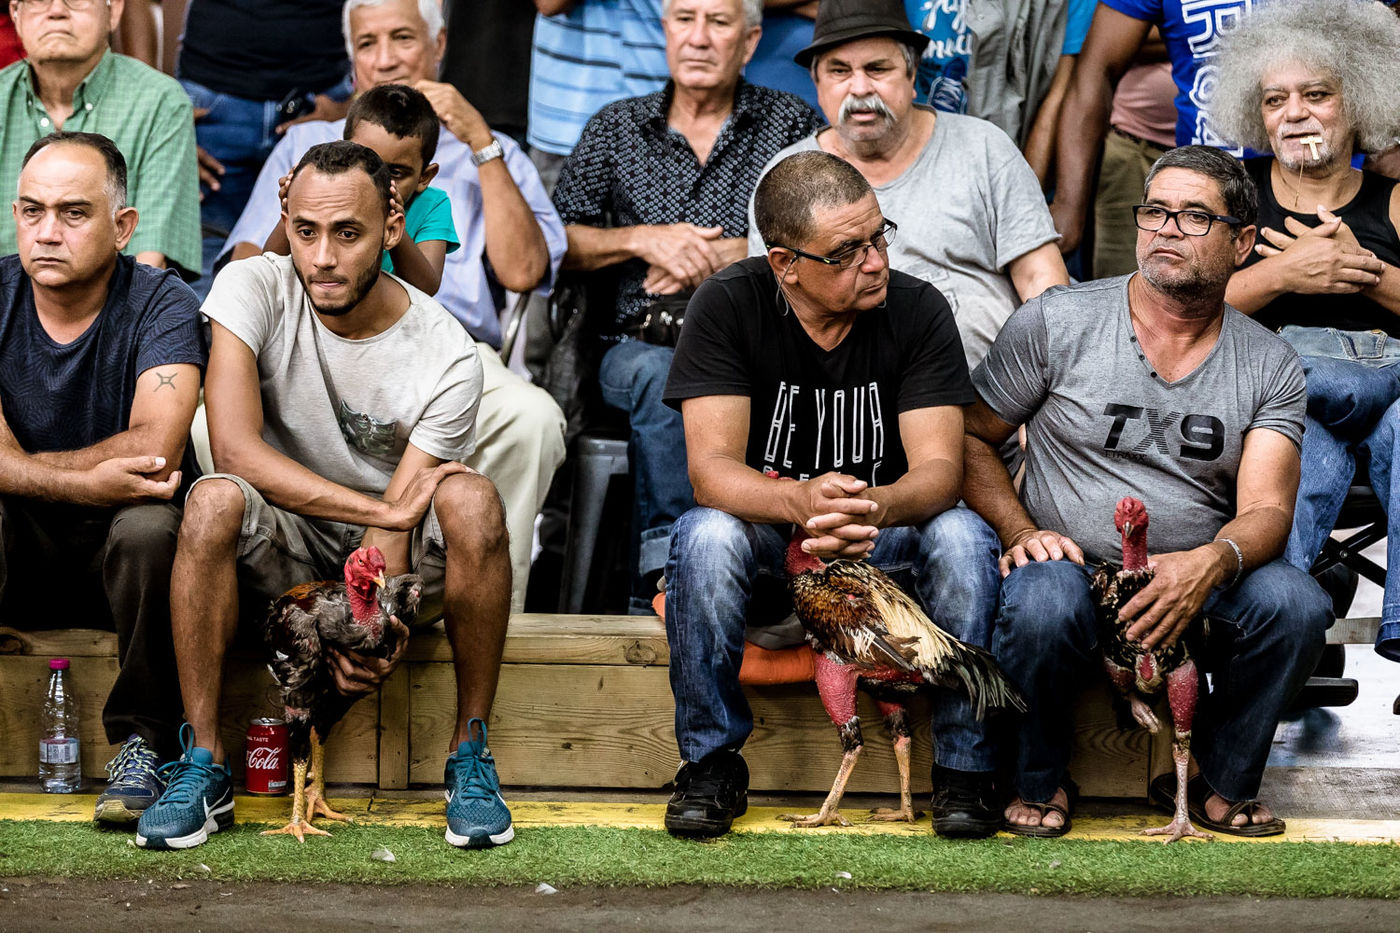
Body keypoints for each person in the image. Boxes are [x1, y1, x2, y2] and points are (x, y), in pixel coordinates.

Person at [136, 141, 514, 851]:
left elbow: (397, 526)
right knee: (211, 499)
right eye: (305, 231)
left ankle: (469, 753)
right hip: (289, 539)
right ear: (286, 219)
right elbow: (237, 450)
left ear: (392, 227)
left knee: (474, 501)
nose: (322, 258)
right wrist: (380, 511)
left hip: (387, 559)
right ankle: (204, 763)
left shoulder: (447, 354)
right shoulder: (251, 287)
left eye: (347, 233)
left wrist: (368, 629)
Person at [965, 145, 1331, 837]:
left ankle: (1219, 781)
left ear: (1242, 242)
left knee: (1296, 603)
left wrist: (1210, 563)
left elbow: (1267, 509)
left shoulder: (1269, 361)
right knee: (1041, 599)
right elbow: (968, 436)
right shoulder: (1057, 321)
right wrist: (1019, 530)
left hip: (1192, 581)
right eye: (1155, 210)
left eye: (1195, 216)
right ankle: (1039, 779)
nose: (1166, 228)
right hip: (1074, 571)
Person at [662, 150, 1005, 840]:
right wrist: (800, 503)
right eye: (847, 252)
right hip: (775, 547)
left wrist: (869, 507)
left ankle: (965, 769)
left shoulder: (917, 308)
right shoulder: (728, 304)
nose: (875, 262)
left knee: (963, 533)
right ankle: (710, 764)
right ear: (785, 264)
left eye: (879, 237)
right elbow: (712, 471)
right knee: (705, 533)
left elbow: (941, 470)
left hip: (881, 545)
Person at [223, 0, 567, 610]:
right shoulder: (306, 151)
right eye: (367, 43)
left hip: (436, 354)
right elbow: (255, 267)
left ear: (440, 46)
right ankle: (269, 602)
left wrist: (475, 146)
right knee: (212, 422)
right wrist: (296, 207)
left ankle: (491, 608)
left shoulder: (464, 168)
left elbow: (495, 276)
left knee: (531, 418)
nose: (385, 59)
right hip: (307, 340)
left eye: (403, 37)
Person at [552, 0, 820, 613]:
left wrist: (734, 252)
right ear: (666, 31)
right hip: (635, 346)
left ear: (749, 42)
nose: (699, 38)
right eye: (684, 19)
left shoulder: (790, 125)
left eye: (718, 22)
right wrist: (642, 240)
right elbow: (556, 242)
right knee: (664, 374)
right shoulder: (616, 126)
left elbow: (822, 237)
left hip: (755, 349)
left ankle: (762, 585)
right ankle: (671, 576)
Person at [1, 132, 205, 823]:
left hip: (131, 567)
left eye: (73, 213)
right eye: (32, 211)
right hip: (21, 550)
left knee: (150, 526)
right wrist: (84, 483)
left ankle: (145, 744)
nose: (46, 232)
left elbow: (155, 449)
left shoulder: (162, 303)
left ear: (123, 227)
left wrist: (22, 467)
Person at [1210, 0, 1400, 662]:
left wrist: (1363, 271)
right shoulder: (1229, 194)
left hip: (1391, 397)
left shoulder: (1394, 199)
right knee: (1296, 444)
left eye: (1317, 95)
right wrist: (1283, 273)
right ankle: (1273, 635)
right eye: (1275, 99)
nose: (1294, 113)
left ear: (1361, 101)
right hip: (1284, 401)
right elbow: (1166, 309)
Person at [749, 0, 1067, 373]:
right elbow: (776, 310)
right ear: (817, 84)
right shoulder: (786, 179)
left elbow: (1042, 282)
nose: (860, 88)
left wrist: (1041, 385)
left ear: (912, 74)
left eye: (877, 68)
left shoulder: (983, 147)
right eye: (839, 71)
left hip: (994, 392)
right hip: (853, 396)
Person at [0, 0, 201, 277]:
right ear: (16, 13)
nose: (56, 11)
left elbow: (150, 261)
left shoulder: (160, 102)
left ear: (113, 10)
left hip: (120, 302)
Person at [1050, 0, 1260, 257]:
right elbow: (1097, 68)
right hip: (1194, 182)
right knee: (1155, 278)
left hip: (1293, 178)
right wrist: (1068, 205)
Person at [177, 0, 354, 297]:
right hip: (210, 105)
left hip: (323, 103)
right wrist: (158, 107)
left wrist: (353, 106)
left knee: (324, 280)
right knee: (199, 293)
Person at [264, 84, 459, 297]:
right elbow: (271, 267)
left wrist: (394, 225)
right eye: (366, 162)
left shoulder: (432, 205)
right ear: (342, 152)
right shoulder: (326, 192)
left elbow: (425, 288)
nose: (378, 181)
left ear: (424, 177)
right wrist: (293, 205)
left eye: (395, 173)